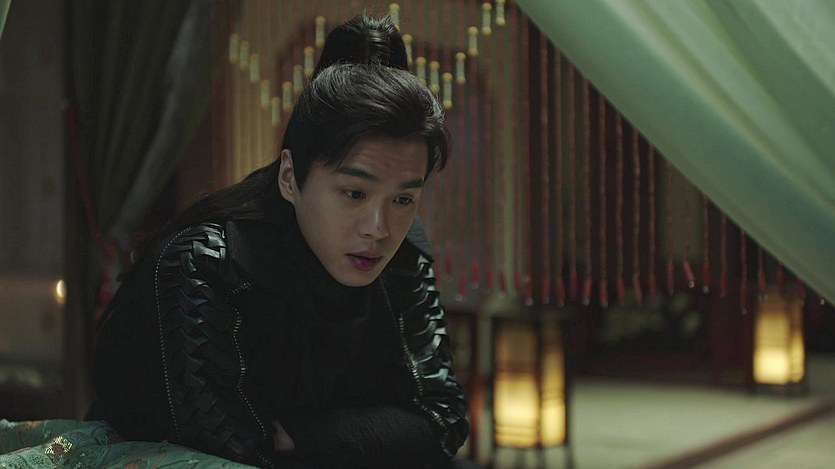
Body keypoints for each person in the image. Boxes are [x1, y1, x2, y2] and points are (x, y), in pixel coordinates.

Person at [89, 14, 472, 469]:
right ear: (290, 177)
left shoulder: (404, 256)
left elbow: (444, 422)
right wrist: (377, 434)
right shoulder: (205, 264)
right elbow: (237, 453)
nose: (378, 228)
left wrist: (299, 435)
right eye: (354, 193)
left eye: (403, 199)